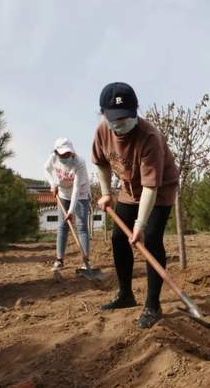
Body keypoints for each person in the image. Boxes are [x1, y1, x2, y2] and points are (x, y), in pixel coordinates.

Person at [92, 82, 179, 329]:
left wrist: (140, 225)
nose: (120, 123)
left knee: (150, 239)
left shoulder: (149, 137)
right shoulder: (102, 131)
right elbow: (101, 162)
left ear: (135, 110)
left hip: (159, 189)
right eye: (115, 119)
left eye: (125, 117)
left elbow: (151, 187)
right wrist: (106, 193)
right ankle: (125, 295)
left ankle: (153, 305)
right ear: (104, 114)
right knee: (119, 237)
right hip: (129, 187)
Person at [44, 137, 93, 271]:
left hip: (81, 194)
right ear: (56, 152)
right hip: (63, 193)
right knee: (62, 226)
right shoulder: (53, 158)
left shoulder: (79, 163)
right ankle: (59, 260)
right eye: (62, 154)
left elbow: (76, 189)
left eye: (67, 154)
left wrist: (71, 211)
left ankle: (86, 262)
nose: (65, 156)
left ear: (72, 152)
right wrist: (53, 184)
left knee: (82, 226)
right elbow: (46, 169)